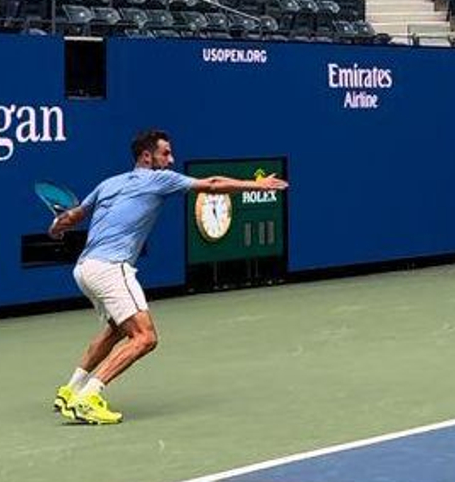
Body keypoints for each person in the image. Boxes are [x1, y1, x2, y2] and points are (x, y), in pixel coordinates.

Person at [47, 129, 288, 424]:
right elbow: (212, 185)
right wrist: (256, 184)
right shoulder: (160, 179)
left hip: (84, 269)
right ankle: (88, 397)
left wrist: (57, 226)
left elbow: (73, 217)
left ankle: (70, 390)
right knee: (145, 337)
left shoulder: (109, 183)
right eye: (166, 153)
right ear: (147, 156)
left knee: (117, 329)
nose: (171, 160)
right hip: (111, 267)